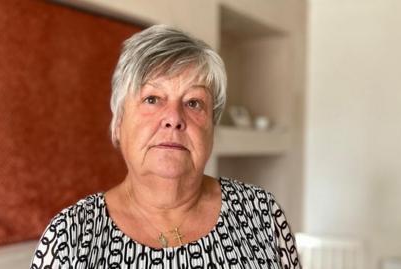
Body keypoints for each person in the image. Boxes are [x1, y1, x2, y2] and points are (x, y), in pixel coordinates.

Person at [30, 24, 301, 269]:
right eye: (152, 99)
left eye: (194, 102)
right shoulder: (70, 236)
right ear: (119, 122)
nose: (174, 118)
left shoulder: (261, 214)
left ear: (211, 128)